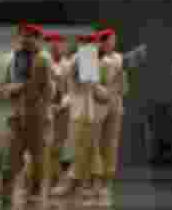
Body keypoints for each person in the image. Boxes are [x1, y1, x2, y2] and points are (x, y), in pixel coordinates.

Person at [0, 23, 54, 202]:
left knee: (37, 156)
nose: (25, 40)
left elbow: (41, 88)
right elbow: (3, 84)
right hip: (16, 114)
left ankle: (34, 192)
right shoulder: (12, 59)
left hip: (36, 114)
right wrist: (6, 89)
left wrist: (16, 88)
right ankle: (5, 189)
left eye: (29, 36)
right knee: (10, 154)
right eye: (22, 36)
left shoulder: (42, 60)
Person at [51, 33, 111, 198]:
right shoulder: (86, 55)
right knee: (85, 148)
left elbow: (89, 86)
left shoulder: (83, 57)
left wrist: (104, 93)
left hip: (83, 112)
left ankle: (78, 184)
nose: (100, 46)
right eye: (98, 43)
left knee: (86, 148)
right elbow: (91, 86)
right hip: (83, 112)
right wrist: (106, 93)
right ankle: (81, 185)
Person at [94, 28, 128, 198]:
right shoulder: (88, 55)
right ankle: (93, 181)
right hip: (94, 106)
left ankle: (107, 181)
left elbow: (124, 87)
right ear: (101, 41)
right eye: (110, 40)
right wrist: (103, 92)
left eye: (114, 40)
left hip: (114, 105)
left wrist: (119, 83)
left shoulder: (119, 58)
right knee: (93, 144)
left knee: (111, 144)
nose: (113, 43)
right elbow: (88, 83)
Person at [43, 32, 71, 191]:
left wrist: (63, 104)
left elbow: (74, 90)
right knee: (48, 148)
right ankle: (56, 180)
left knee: (56, 148)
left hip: (63, 111)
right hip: (47, 110)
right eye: (52, 44)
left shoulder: (69, 65)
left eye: (58, 43)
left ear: (64, 46)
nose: (55, 46)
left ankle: (57, 180)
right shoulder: (45, 65)